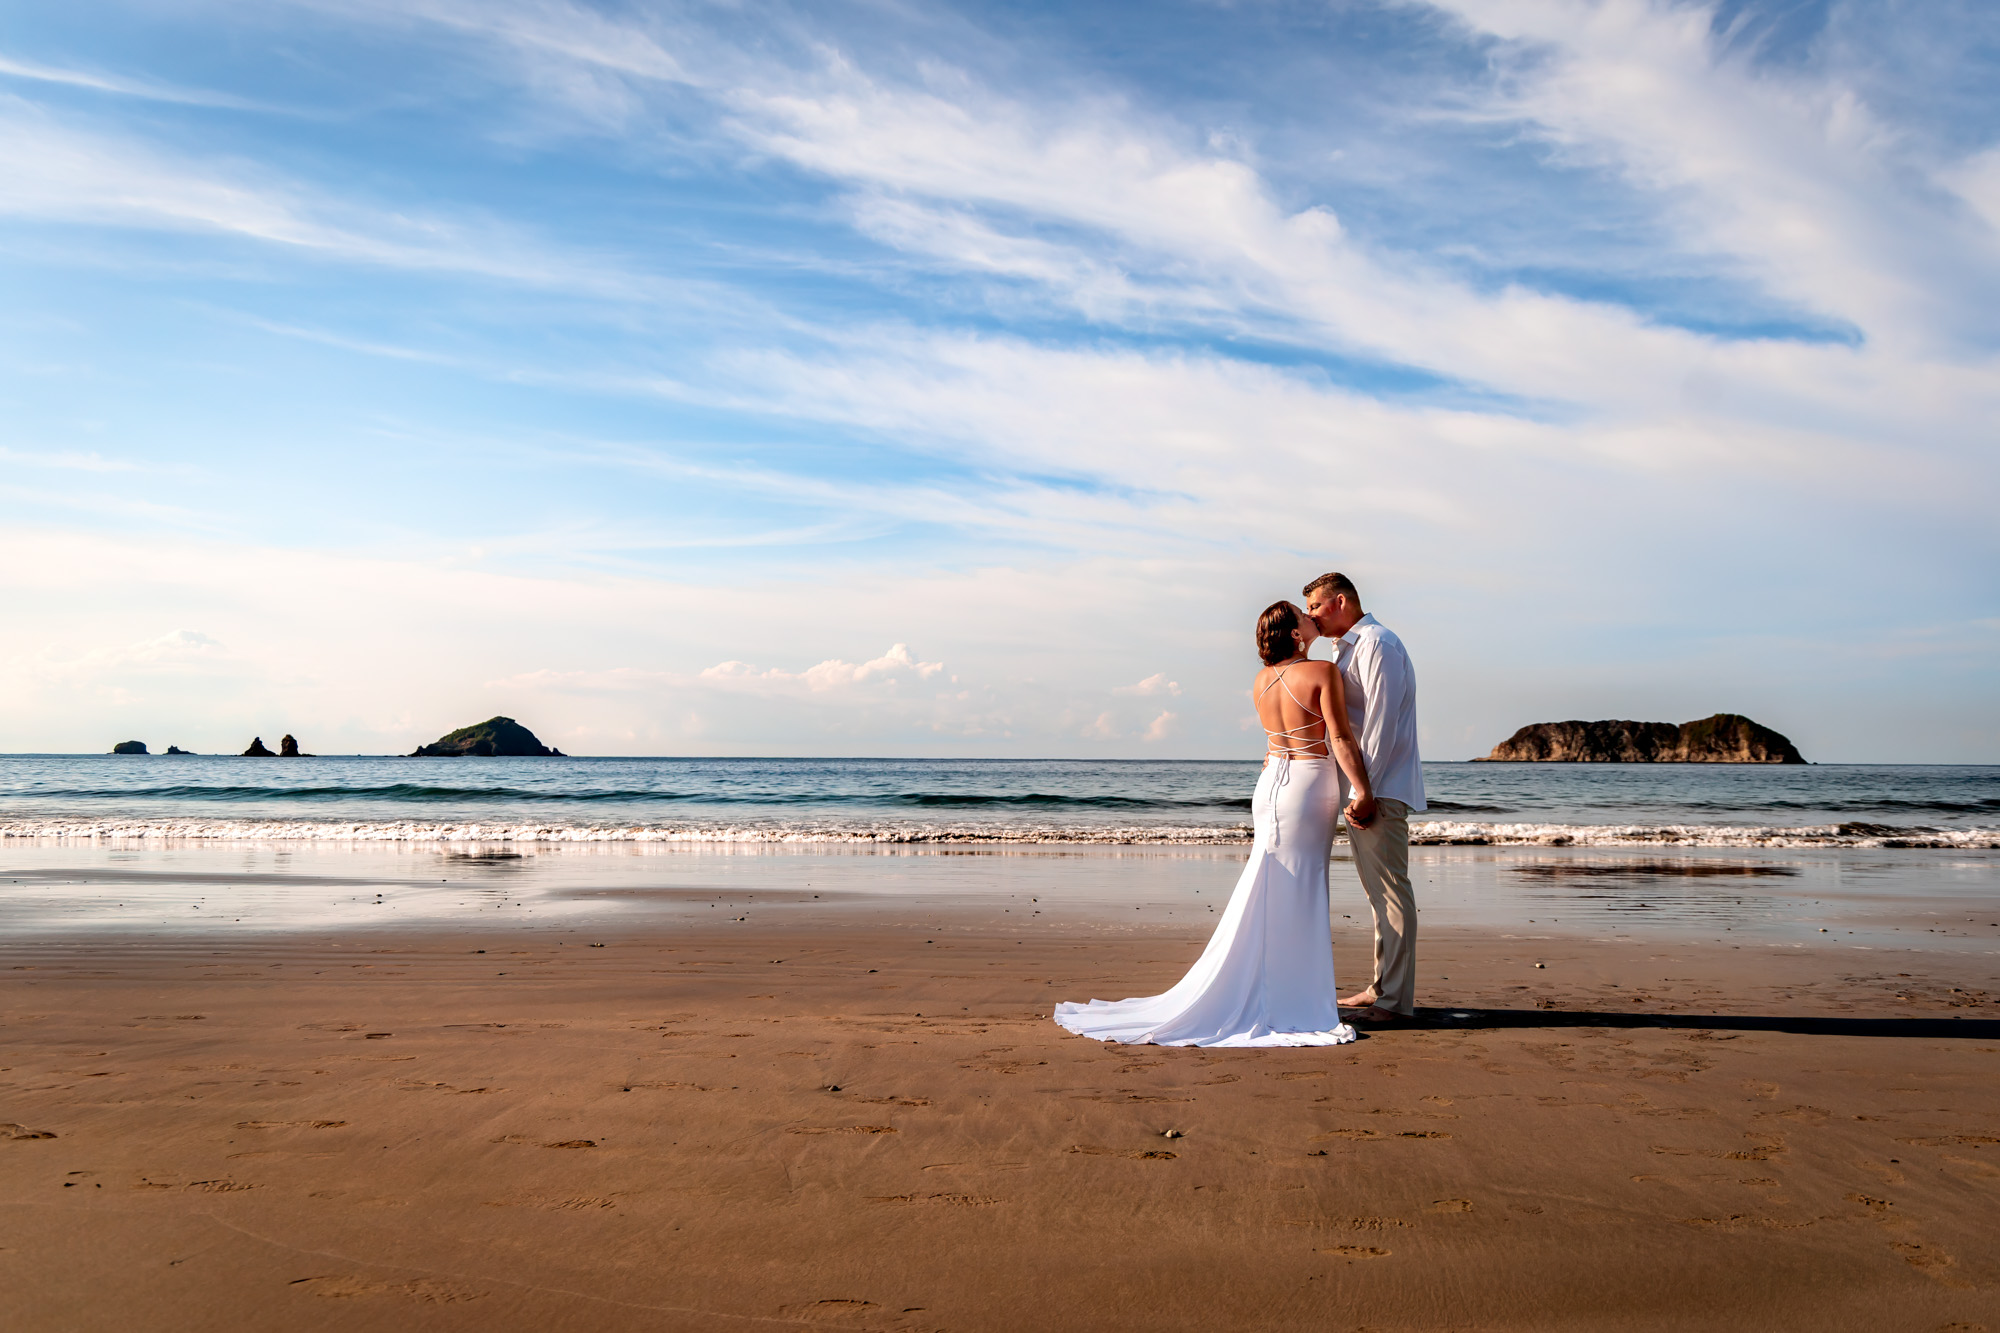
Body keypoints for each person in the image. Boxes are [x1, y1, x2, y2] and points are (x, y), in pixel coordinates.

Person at [1053, 601, 1375, 1047]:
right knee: (1300, 887)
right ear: (1296, 635)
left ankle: (1278, 989)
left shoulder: (1261, 681)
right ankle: (1293, 997)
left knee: (1270, 885)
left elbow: (1273, 740)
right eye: (1304, 617)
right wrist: (1362, 790)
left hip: (1269, 787)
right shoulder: (1322, 672)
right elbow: (1338, 737)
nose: (1311, 618)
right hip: (1306, 784)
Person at [1303, 571, 1425, 1025]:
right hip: (1367, 788)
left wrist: (1363, 791)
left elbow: (1380, 724)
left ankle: (1395, 1001)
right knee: (1380, 894)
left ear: (1338, 601)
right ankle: (1381, 987)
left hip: (1381, 789)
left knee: (1392, 893)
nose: (1312, 615)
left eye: (1315, 606)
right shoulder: (1346, 648)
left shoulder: (1378, 643)